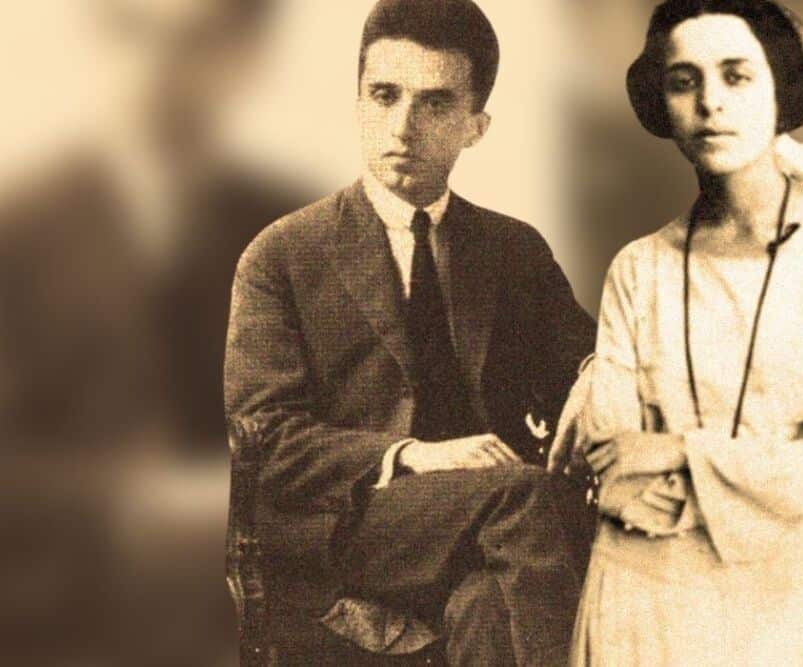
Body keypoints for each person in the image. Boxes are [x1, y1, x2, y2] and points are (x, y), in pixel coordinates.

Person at [223, 0, 596, 664]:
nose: (402, 126)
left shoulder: (511, 250)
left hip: (492, 532)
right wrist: (413, 455)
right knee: (525, 499)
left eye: (434, 103)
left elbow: (585, 364)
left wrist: (598, 377)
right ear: (357, 102)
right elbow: (267, 438)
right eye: (384, 95)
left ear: (476, 126)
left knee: (488, 607)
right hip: (351, 526)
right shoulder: (282, 254)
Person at [553, 1, 803, 663]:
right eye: (684, 81)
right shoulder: (639, 269)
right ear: (662, 105)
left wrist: (678, 450)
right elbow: (617, 464)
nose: (710, 102)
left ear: (781, 91)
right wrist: (787, 469)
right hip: (657, 597)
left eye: (737, 76)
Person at [0, 1, 310, 664]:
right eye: (135, 34)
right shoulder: (15, 234)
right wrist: (127, 508)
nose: (159, 70)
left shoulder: (303, 238)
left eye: (197, 42)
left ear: (249, 55)